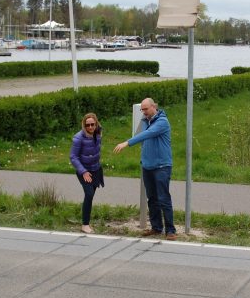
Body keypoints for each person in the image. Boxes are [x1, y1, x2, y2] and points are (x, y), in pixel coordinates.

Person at [113, 97, 176, 240]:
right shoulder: (144, 121)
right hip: (147, 166)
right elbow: (145, 140)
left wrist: (127, 143)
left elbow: (146, 134)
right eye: (142, 110)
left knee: (163, 198)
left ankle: (170, 230)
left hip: (161, 167)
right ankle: (156, 228)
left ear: (154, 107)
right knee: (152, 198)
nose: (144, 112)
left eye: (146, 109)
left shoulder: (162, 122)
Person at [70, 113, 104, 233]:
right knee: (89, 194)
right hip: (84, 171)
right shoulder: (78, 138)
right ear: (84, 125)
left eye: (92, 124)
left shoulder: (98, 132)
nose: (90, 127)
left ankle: (86, 220)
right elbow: (73, 157)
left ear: (96, 124)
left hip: (96, 169)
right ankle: (85, 224)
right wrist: (83, 171)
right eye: (87, 125)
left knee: (90, 196)